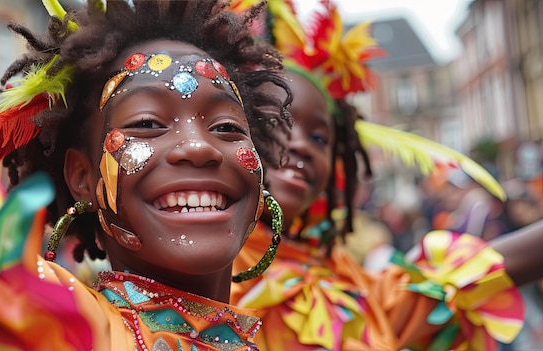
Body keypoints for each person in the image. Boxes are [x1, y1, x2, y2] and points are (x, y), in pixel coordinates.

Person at [0, 0, 294, 349]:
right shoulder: (39, 323)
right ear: (82, 177)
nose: (199, 148)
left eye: (227, 127)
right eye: (147, 122)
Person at [229, 0, 543, 350]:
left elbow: (428, 294)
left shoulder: (336, 273)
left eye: (320, 137)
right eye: (277, 121)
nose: (301, 145)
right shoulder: (204, 256)